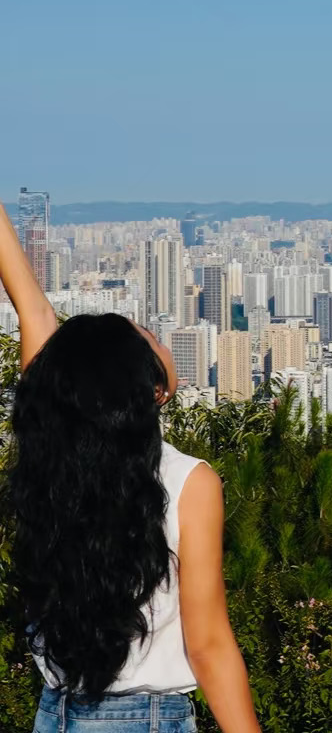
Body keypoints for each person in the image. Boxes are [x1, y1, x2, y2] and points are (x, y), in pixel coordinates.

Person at [0, 204, 261, 733]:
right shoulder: (190, 483)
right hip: (147, 719)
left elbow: (35, 313)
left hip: (56, 714)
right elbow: (208, 645)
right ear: (148, 390)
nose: (161, 340)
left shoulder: (49, 458)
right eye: (149, 337)